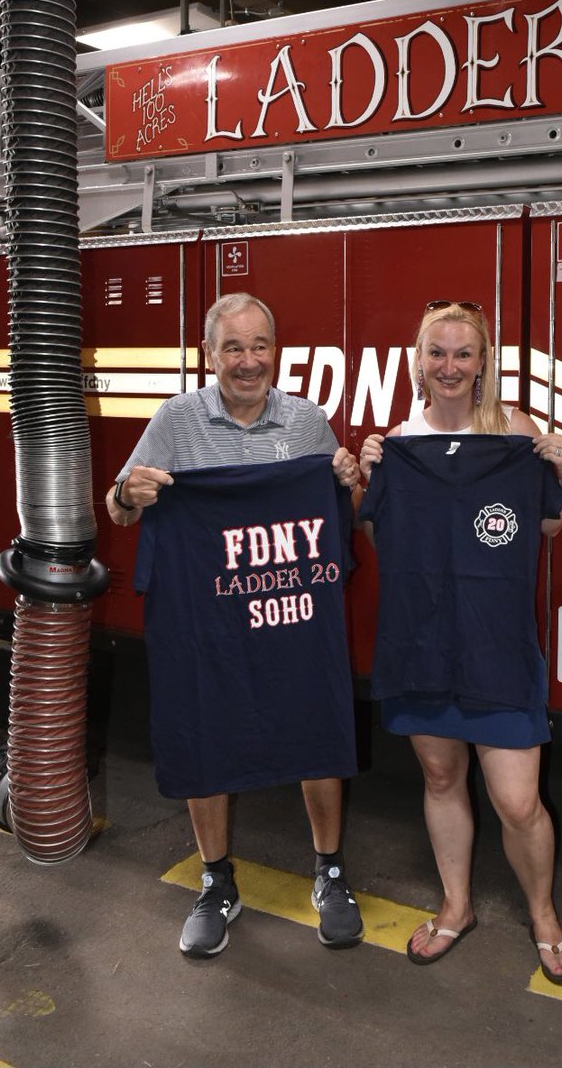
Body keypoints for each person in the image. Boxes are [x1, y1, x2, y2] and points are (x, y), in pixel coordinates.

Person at [106, 292, 364, 959]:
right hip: (207, 625)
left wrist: (347, 480)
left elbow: (343, 515)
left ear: (275, 350)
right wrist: (126, 494)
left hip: (290, 615)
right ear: (209, 355)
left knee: (316, 726)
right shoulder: (176, 420)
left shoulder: (308, 424)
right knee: (204, 734)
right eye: (233, 348)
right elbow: (119, 506)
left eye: (259, 346)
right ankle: (216, 882)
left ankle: (330, 873)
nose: (248, 362)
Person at [358, 300, 562, 984]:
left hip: (496, 644)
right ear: (417, 361)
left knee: (518, 801)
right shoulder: (398, 440)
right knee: (439, 775)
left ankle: (542, 915)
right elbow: (378, 537)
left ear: (484, 362)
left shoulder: (513, 432)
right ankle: (457, 906)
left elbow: (550, 523)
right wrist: (365, 478)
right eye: (437, 353)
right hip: (423, 642)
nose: (449, 366)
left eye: (463, 354)